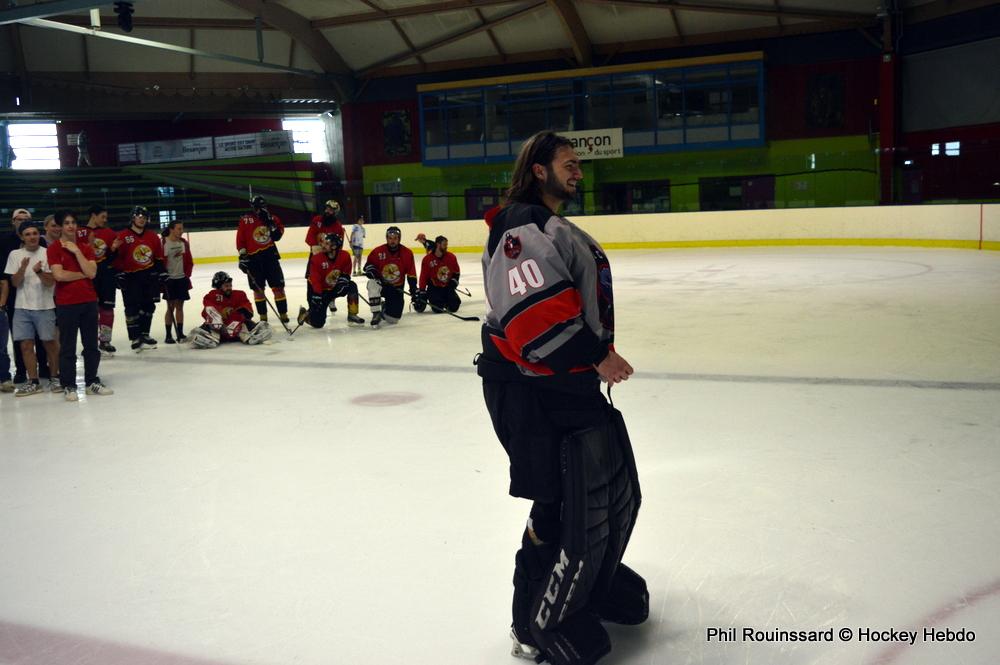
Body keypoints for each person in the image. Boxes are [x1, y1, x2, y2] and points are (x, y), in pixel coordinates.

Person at [476, 131, 646, 665]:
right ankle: (528, 623)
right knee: (554, 498)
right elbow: (534, 321)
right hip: (527, 388)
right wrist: (598, 355)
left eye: (579, 164)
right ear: (540, 170)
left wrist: (592, 358)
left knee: (597, 489)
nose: (578, 171)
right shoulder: (519, 226)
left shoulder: (549, 225)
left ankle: (583, 589)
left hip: (560, 381)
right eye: (568, 164)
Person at [47, 210, 112, 400]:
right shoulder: (54, 249)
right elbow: (59, 275)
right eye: (66, 222)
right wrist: (82, 273)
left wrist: (76, 251)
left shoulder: (84, 247)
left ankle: (92, 381)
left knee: (91, 345)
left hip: (89, 302)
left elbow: (92, 272)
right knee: (68, 346)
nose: (70, 226)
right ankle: (69, 385)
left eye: (73, 222)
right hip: (67, 303)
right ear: (60, 226)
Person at [4, 221, 59, 396]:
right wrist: (22, 268)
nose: (32, 237)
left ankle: (55, 377)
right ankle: (33, 381)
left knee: (50, 343)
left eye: (34, 233)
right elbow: (14, 283)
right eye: (27, 234)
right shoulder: (15, 254)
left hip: (45, 306)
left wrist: (39, 272)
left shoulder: (48, 253)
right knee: (26, 345)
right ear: (21, 237)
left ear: (39, 234)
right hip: (21, 307)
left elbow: (52, 282)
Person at [112, 206, 165, 352]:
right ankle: (135, 337)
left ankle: (145, 334)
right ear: (133, 218)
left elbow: (158, 258)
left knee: (149, 306)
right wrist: (118, 273)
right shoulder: (123, 236)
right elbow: (116, 257)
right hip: (130, 277)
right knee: (132, 308)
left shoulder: (153, 236)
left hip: (149, 276)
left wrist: (162, 273)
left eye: (144, 216)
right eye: (138, 216)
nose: (141, 218)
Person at [236, 195, 288, 323]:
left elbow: (277, 236)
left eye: (262, 207)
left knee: (278, 287)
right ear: (253, 207)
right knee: (258, 289)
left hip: (270, 258)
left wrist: (270, 223)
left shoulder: (273, 219)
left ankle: (283, 314)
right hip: (253, 260)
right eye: (258, 207)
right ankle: (263, 317)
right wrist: (242, 256)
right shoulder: (245, 220)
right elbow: (241, 240)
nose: (260, 209)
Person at [188, 271, 272, 348]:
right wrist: (220, 312)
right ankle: (211, 338)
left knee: (245, 323)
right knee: (210, 315)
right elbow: (207, 309)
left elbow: (247, 308)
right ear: (219, 286)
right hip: (219, 329)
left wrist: (235, 311)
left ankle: (249, 336)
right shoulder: (212, 295)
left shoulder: (239, 294)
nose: (229, 288)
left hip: (237, 328)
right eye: (226, 286)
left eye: (230, 285)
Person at [297, 233, 364, 329]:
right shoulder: (316, 259)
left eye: (327, 243)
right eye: (323, 242)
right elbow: (315, 280)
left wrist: (343, 282)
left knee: (351, 285)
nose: (323, 245)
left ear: (334, 246)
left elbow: (346, 274)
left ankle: (352, 315)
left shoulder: (345, 256)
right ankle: (305, 314)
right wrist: (317, 295)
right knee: (318, 323)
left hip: (333, 288)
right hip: (318, 290)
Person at [81, 205, 119, 354]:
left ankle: (105, 341)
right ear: (93, 216)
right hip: (88, 276)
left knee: (107, 309)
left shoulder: (109, 233)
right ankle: (89, 344)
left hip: (106, 277)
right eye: (102, 217)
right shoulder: (81, 232)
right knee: (89, 311)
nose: (105, 220)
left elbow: (112, 258)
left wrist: (114, 249)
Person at [362, 225, 416, 328]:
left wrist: (414, 290)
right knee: (372, 284)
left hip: (396, 289)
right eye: (390, 238)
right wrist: (372, 271)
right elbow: (368, 266)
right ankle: (376, 314)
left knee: (393, 320)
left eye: (395, 238)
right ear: (387, 238)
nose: (392, 241)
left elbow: (411, 274)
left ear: (399, 239)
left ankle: (383, 306)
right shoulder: (378, 251)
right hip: (382, 286)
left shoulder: (407, 253)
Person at [304, 199, 345, 313]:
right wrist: (315, 247)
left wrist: (334, 256)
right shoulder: (317, 220)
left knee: (331, 280)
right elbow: (310, 236)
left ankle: (331, 299)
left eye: (331, 209)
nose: (327, 211)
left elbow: (339, 246)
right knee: (311, 280)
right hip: (316, 257)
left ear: (335, 212)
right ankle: (312, 303)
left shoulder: (338, 227)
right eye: (327, 208)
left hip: (330, 259)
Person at [161, 220, 193, 344]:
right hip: (169, 280)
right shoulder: (163, 243)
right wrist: (163, 277)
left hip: (181, 279)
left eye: (182, 229)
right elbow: (160, 262)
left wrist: (187, 275)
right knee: (170, 307)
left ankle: (180, 332)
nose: (181, 231)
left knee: (180, 307)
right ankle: (168, 335)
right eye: (179, 229)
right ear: (171, 229)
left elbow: (189, 261)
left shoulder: (184, 243)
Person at [414, 235, 461, 314]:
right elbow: (423, 276)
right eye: (444, 245)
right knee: (438, 309)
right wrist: (422, 290)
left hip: (447, 287)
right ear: (438, 245)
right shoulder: (427, 259)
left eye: (447, 245)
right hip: (434, 287)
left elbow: (456, 272)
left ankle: (445, 300)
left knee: (454, 306)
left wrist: (454, 281)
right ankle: (435, 299)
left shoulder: (451, 257)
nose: (446, 247)